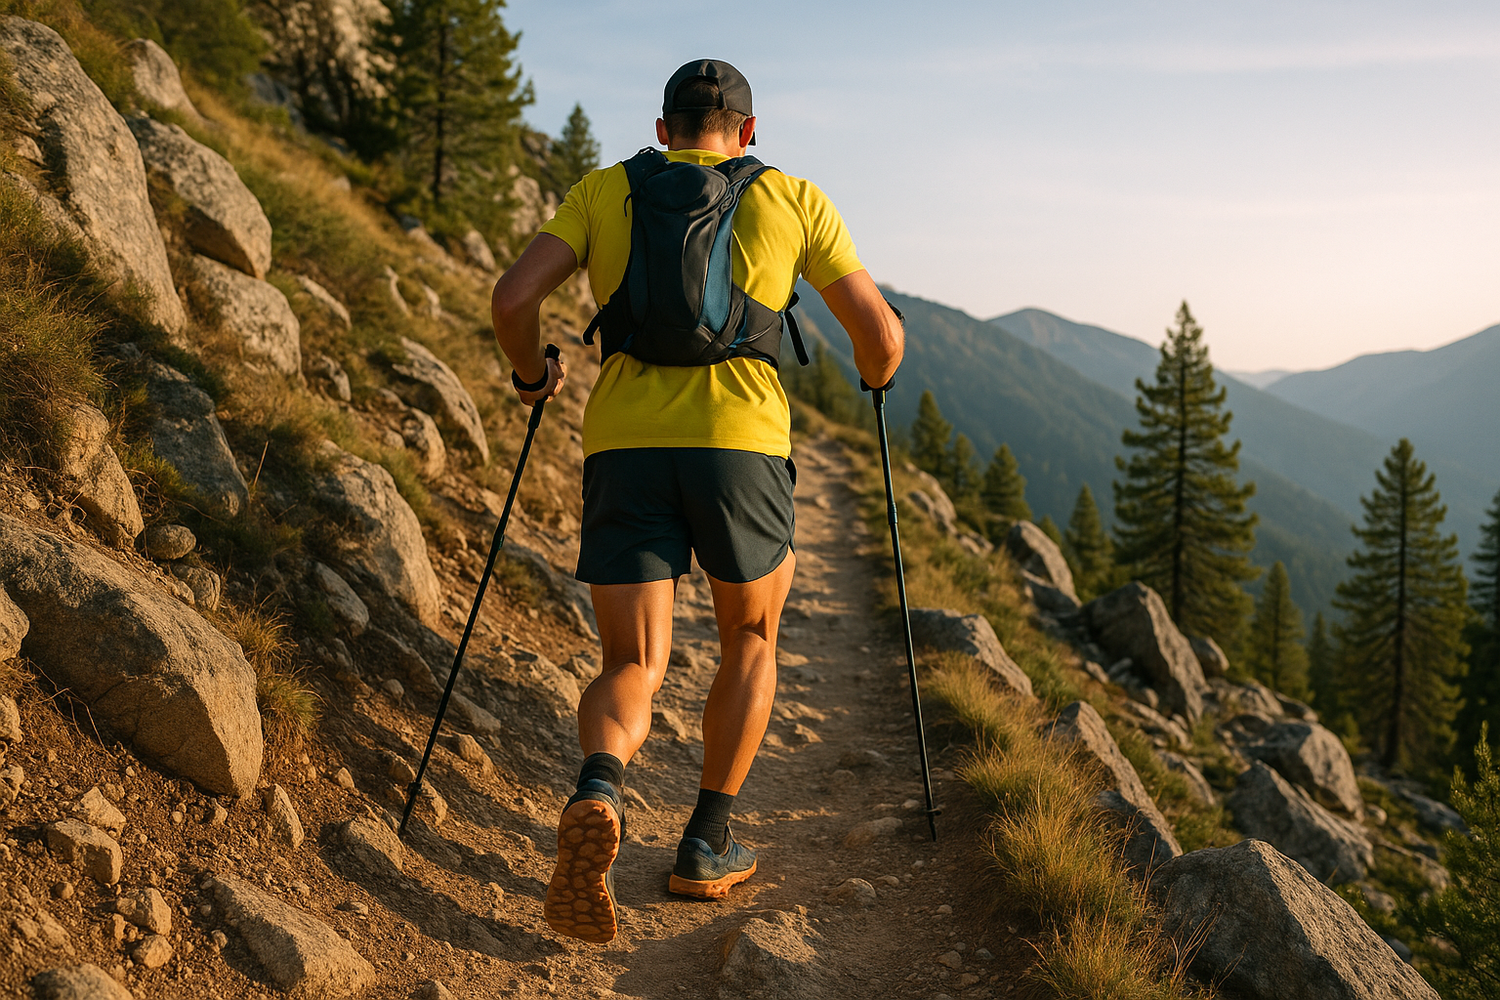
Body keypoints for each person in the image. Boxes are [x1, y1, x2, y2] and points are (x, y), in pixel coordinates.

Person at [490, 58, 903, 945]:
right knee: (748, 636)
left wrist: (534, 377)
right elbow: (877, 340)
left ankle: (600, 785)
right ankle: (705, 845)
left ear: (662, 128)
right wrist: (879, 374)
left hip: (625, 447)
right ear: (748, 134)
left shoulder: (605, 191)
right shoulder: (793, 198)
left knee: (631, 663)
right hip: (743, 452)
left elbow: (513, 297)